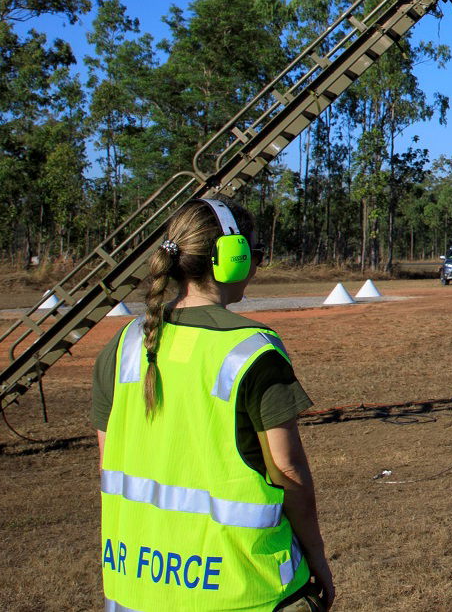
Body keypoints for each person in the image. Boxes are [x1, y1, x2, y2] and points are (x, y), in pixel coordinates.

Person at [94, 198, 336, 611]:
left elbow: (111, 460)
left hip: (133, 588)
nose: (257, 266)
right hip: (243, 591)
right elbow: (288, 471)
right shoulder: (251, 350)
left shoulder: (123, 346)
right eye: (255, 254)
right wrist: (317, 557)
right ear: (232, 258)